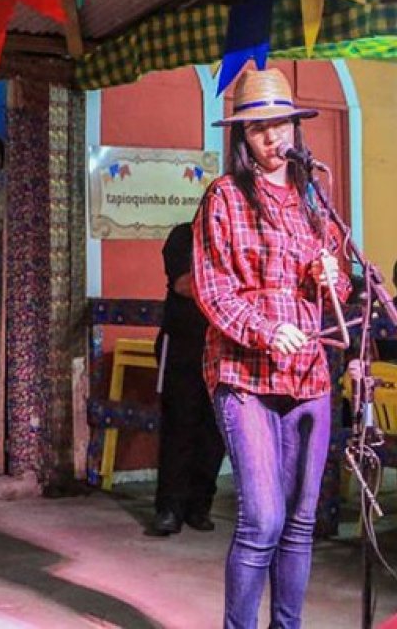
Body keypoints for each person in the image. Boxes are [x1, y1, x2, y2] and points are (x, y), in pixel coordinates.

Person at [192, 66, 349, 629]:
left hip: (310, 374)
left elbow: (342, 285)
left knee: (300, 523)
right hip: (244, 374)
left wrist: (334, 275)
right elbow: (212, 290)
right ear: (242, 136)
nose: (272, 137)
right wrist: (264, 329)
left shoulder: (314, 198)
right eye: (258, 128)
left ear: (294, 126)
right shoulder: (224, 198)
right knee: (262, 519)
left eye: (280, 123)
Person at [148, 221, 225, 536]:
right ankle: (170, 509)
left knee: (214, 431)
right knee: (179, 427)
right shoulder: (183, 236)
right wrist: (227, 286)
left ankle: (199, 506)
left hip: (221, 348)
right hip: (181, 346)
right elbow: (183, 284)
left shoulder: (230, 236)